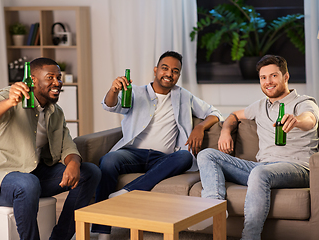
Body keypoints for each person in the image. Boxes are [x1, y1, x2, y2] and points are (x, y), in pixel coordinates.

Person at [92, 51, 223, 240]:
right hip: (133, 153)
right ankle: (101, 230)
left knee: (185, 157)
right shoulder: (134, 92)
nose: (169, 73)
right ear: (155, 70)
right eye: (165, 68)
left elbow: (215, 112)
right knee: (109, 160)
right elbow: (110, 106)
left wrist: (200, 127)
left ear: (178, 75)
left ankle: (127, 192)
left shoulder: (184, 96)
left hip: (163, 158)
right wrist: (113, 90)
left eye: (175, 71)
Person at [0, 57, 101, 240]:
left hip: (31, 174)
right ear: (33, 80)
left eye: (59, 77)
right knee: (28, 183)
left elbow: (67, 145)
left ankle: (60, 237)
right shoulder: (10, 95)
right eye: (50, 77)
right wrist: (9, 102)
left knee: (90, 172)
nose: (57, 82)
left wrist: (73, 163)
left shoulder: (55, 112)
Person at [195, 55, 319, 239]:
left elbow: (310, 119)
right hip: (262, 167)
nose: (268, 82)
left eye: (274, 76)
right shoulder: (260, 106)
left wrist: (296, 120)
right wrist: (225, 132)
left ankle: (250, 237)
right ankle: (213, 211)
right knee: (206, 155)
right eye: (263, 77)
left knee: (259, 173)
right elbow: (233, 115)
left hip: (298, 167)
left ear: (286, 76)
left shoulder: (304, 103)